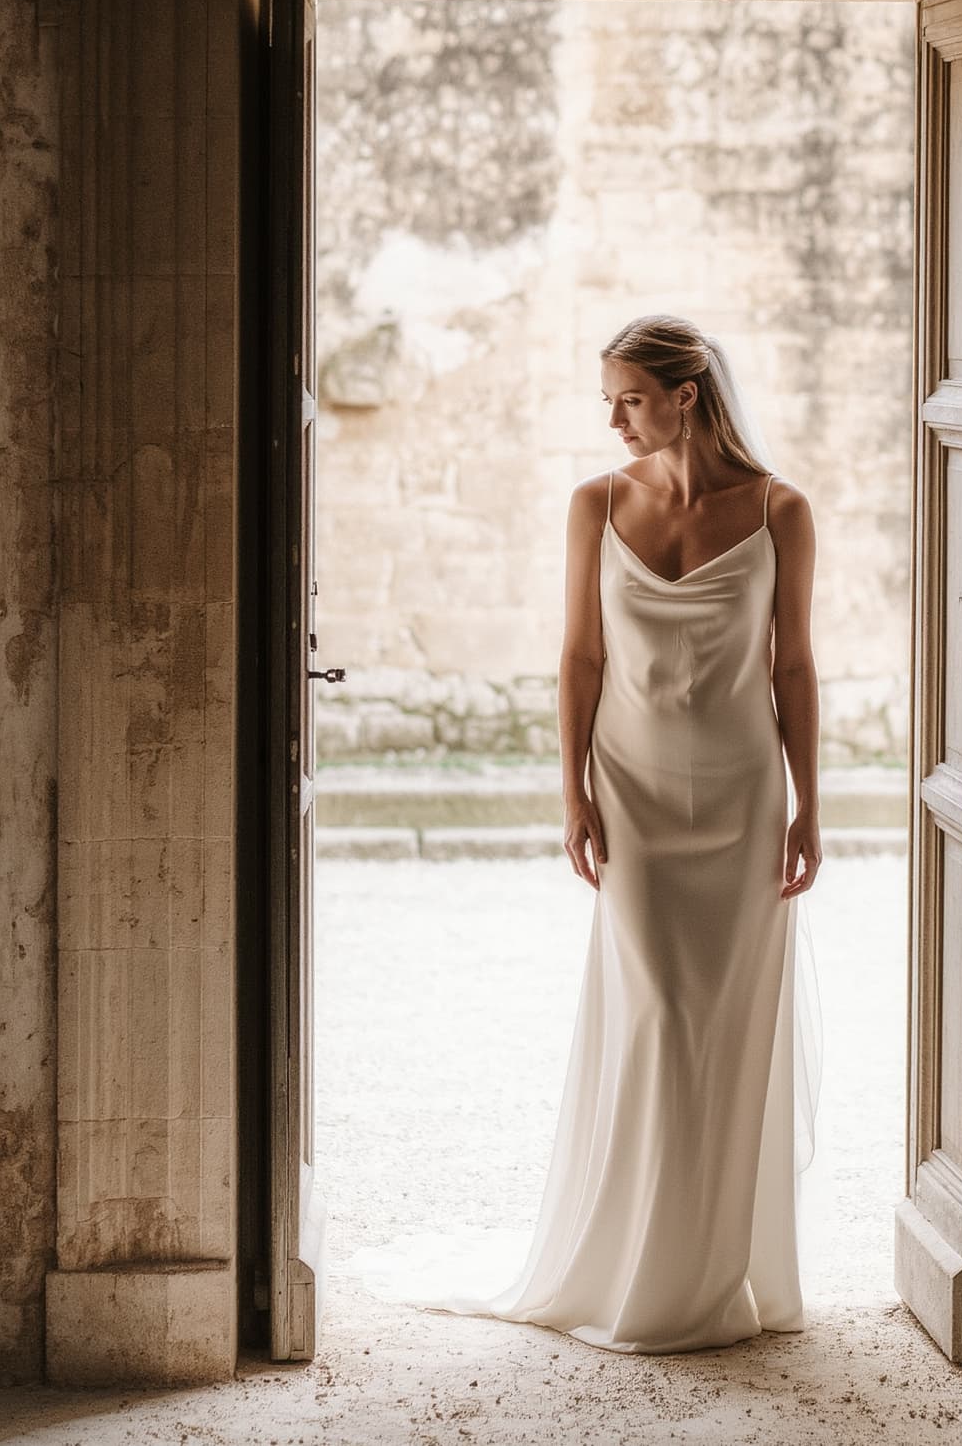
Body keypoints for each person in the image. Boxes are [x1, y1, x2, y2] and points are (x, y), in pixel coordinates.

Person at [347, 313, 824, 1353]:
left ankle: (711, 1271)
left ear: (685, 394)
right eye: (609, 399)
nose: (610, 418)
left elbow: (791, 667)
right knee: (658, 1013)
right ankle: (640, 1270)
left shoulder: (782, 510)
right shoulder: (596, 503)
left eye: (628, 398)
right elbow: (578, 660)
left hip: (741, 796)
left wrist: (809, 803)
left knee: (727, 1027)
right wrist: (569, 791)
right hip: (637, 791)